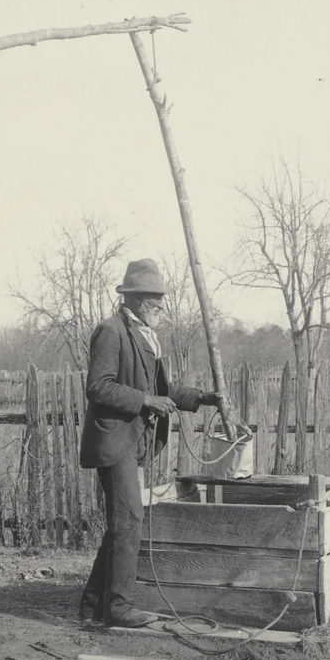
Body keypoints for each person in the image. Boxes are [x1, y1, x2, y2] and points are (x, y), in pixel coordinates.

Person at [78, 258, 224, 627]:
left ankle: (93, 603)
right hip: (115, 443)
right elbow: (98, 386)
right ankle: (120, 609)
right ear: (138, 299)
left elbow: (161, 389)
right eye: (157, 299)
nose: (162, 305)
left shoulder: (144, 336)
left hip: (133, 442)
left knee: (122, 523)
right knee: (129, 521)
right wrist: (145, 401)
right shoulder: (111, 331)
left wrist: (201, 398)